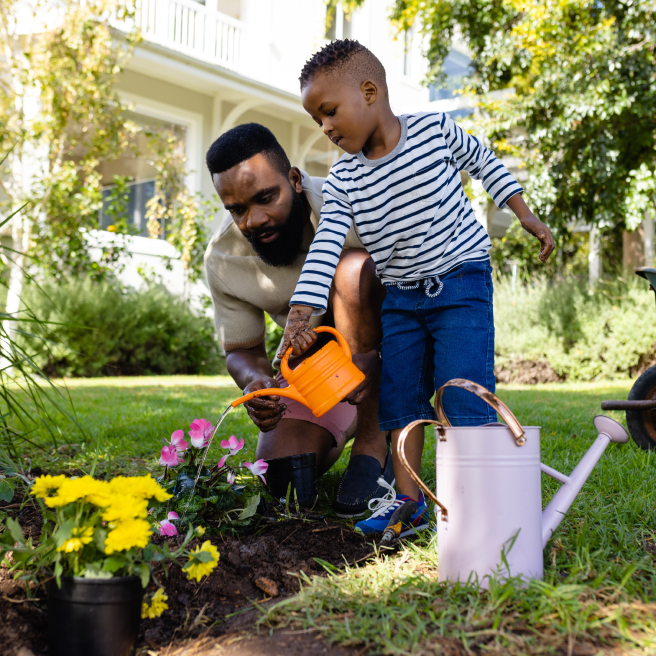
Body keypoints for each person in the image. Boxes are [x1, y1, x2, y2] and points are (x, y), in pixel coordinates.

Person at [278, 40, 555, 535]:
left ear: (369, 91)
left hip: (461, 281)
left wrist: (524, 214)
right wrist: (302, 309)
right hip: (402, 299)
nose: (326, 128)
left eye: (330, 112)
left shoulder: (432, 130)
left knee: (461, 396)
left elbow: (484, 160)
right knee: (400, 399)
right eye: (318, 120)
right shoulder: (342, 179)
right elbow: (326, 247)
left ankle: (473, 504)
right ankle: (409, 504)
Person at [204, 123, 395, 518]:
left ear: (293, 180)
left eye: (265, 198)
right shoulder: (224, 259)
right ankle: (345, 421)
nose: (254, 219)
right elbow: (242, 350)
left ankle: (375, 444)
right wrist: (255, 383)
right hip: (320, 369)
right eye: (237, 209)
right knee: (284, 478)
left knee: (351, 271)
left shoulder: (350, 204)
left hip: (393, 352)